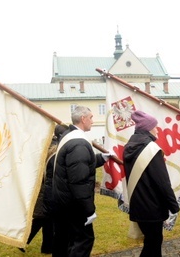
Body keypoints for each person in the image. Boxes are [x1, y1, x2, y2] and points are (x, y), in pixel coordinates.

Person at [52, 106, 110, 257]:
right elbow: (79, 180)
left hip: (64, 201)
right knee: (83, 241)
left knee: (66, 241)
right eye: (90, 117)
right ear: (83, 119)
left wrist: (100, 159)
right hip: (74, 205)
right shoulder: (78, 143)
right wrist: (88, 209)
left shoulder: (70, 137)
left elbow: (76, 166)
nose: (92, 120)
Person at [123, 110, 179, 257]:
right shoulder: (151, 150)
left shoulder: (129, 145)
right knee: (153, 244)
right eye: (155, 126)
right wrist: (174, 206)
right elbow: (162, 182)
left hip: (138, 204)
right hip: (153, 206)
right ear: (147, 128)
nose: (157, 129)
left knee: (151, 242)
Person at [20, 124, 69, 254]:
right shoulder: (55, 149)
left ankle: (46, 247)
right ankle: (23, 241)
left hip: (42, 188)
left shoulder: (47, 145)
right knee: (43, 220)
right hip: (45, 190)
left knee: (46, 221)